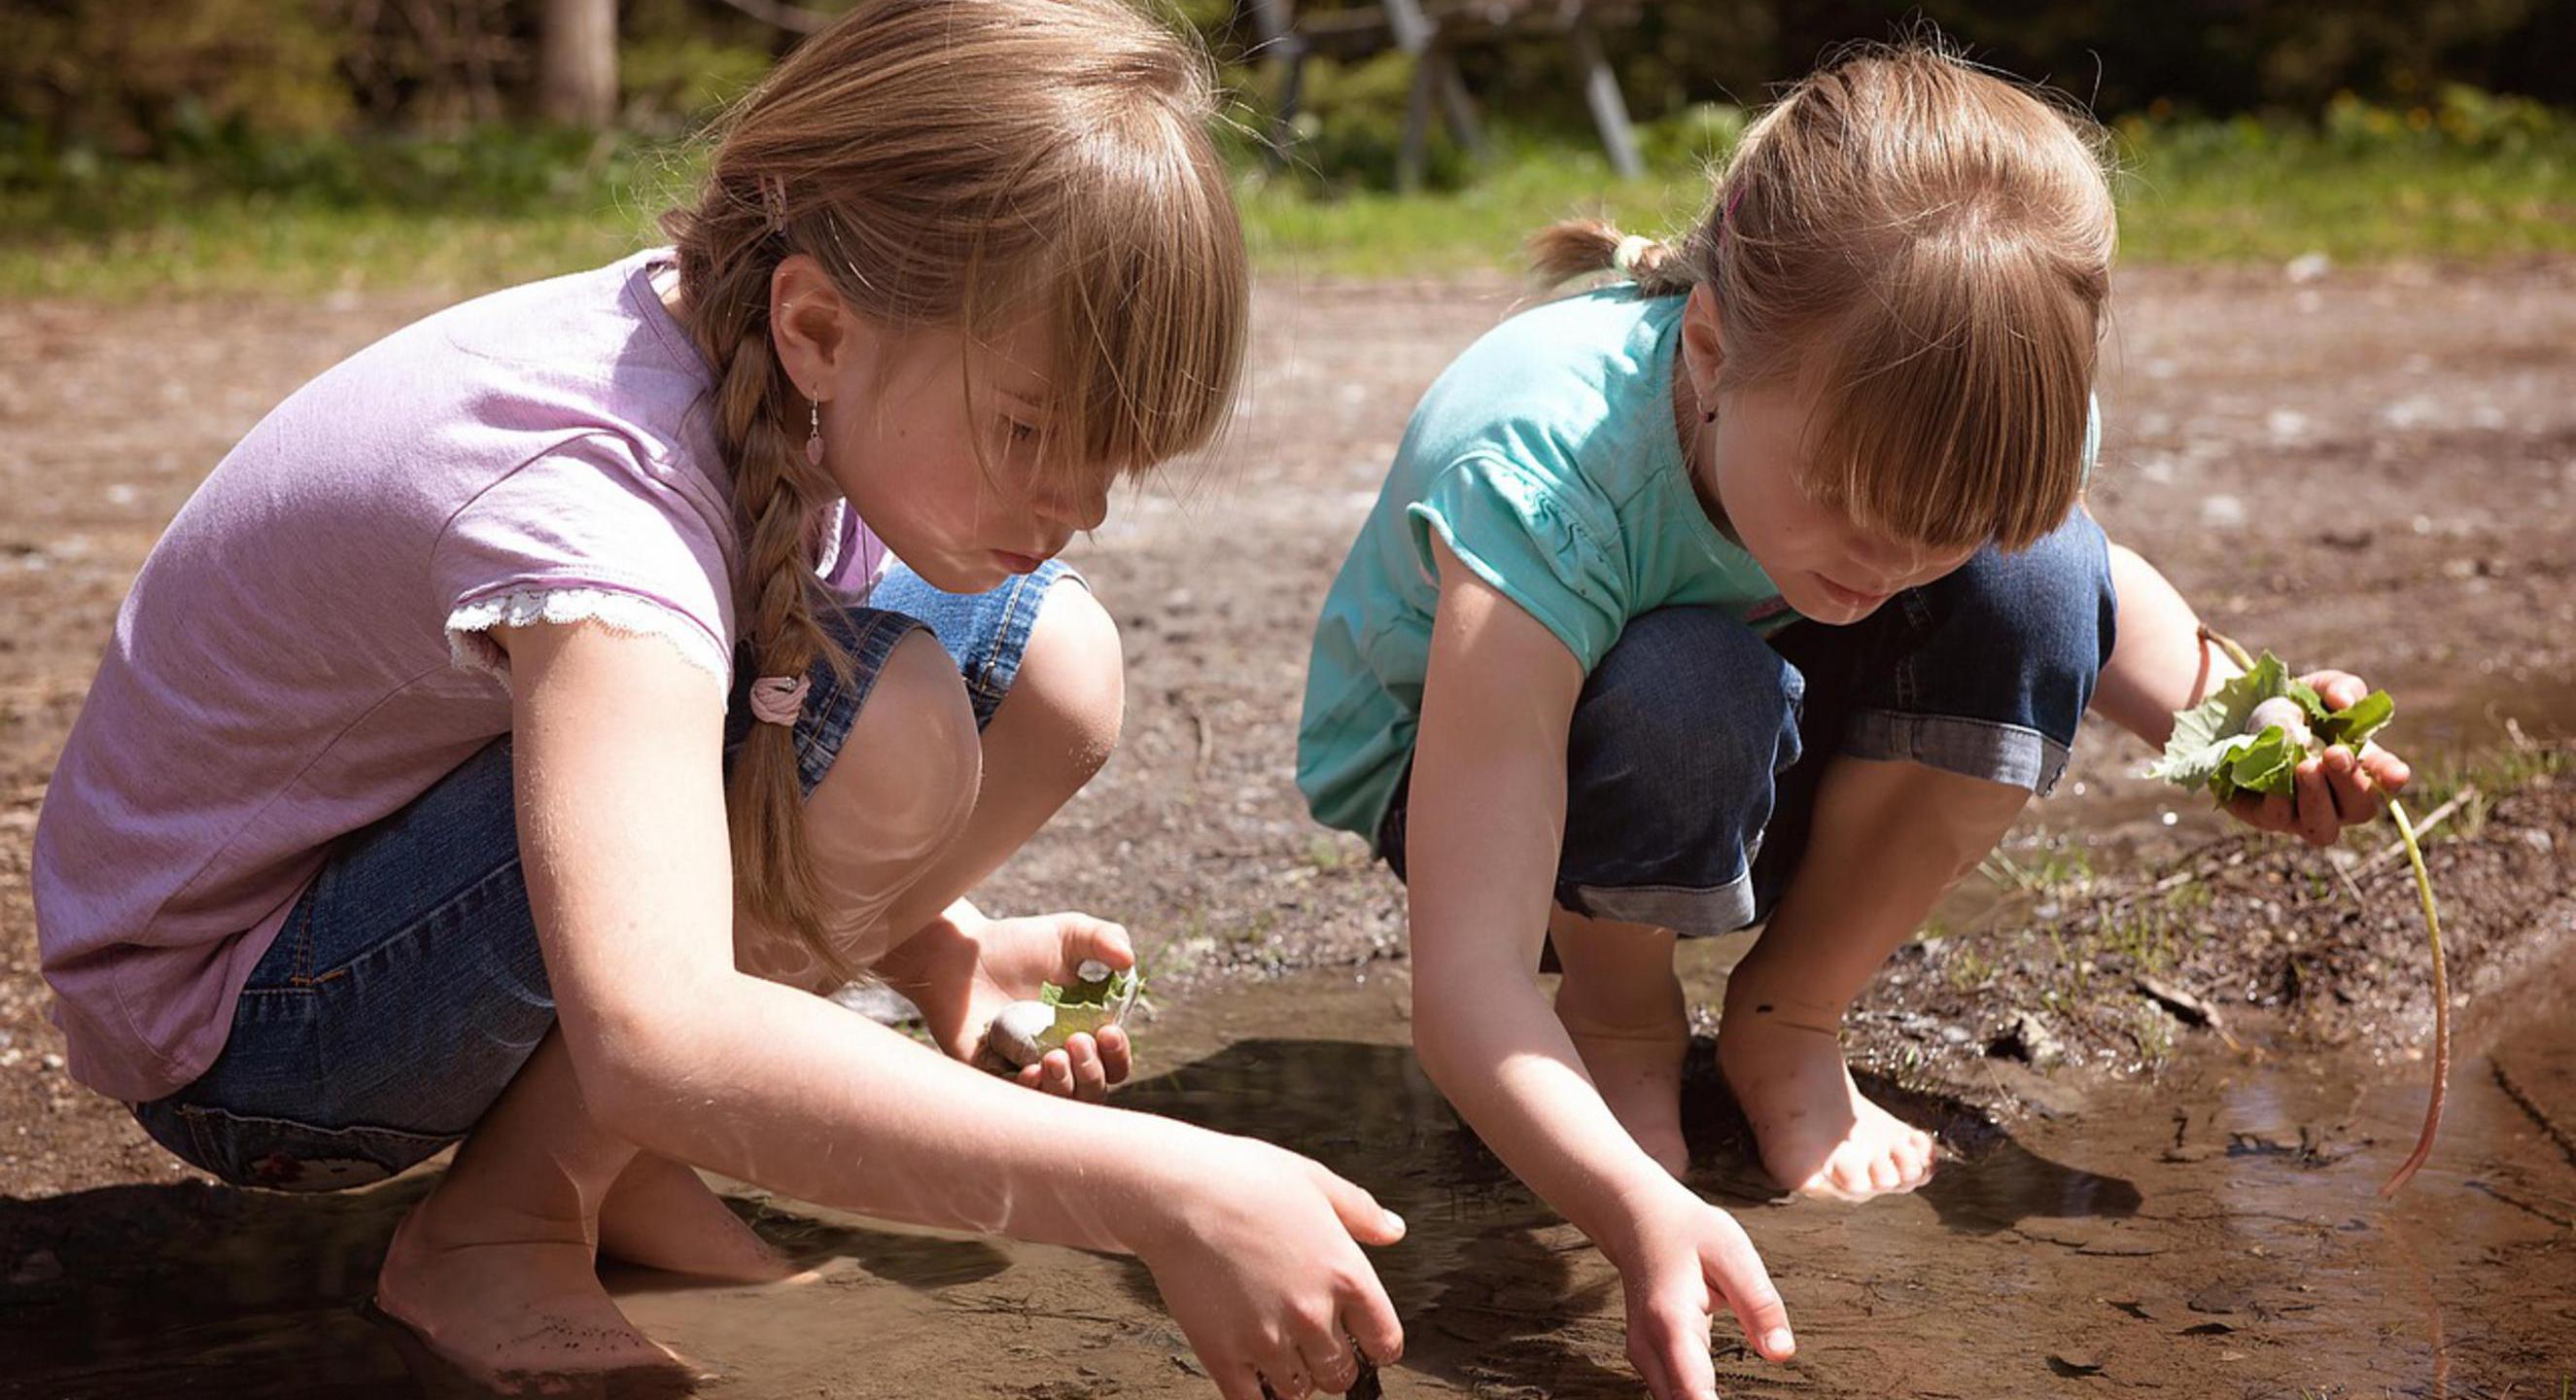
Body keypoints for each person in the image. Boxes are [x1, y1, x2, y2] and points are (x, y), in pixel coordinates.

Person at [34, 3, 1402, 1394]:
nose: (1074, 509)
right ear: (817, 323)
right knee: (887, 714)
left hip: (393, 894)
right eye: (1032, 433)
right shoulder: (595, 504)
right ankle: (499, 1227)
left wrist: (942, 953)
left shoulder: (782, 370)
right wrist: (1160, 1186)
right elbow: (654, 1026)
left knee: (1050, 663)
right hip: (257, 1027)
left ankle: (602, 1164)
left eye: (1115, 461)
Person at [1295, 42, 2409, 1400]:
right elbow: (1461, 986)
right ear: (1708, 350)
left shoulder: (1966, 421)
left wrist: (2245, 728)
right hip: (1475, 797)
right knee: (1685, 679)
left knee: (2043, 576)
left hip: (1741, 723)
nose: (1882, 560)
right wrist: (1625, 1210)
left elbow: (2099, 599)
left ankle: (1789, 1016)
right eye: (1842, 500)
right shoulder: (1547, 471)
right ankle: (1620, 1026)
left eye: (1934, 527)